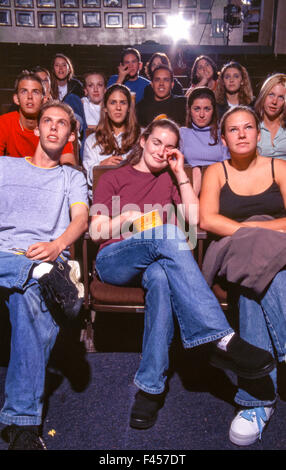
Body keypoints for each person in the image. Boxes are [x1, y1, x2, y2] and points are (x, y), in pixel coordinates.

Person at [89, 117, 274, 432]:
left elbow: (191, 225)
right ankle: (221, 337)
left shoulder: (171, 180)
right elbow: (95, 232)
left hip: (156, 263)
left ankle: (150, 388)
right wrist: (124, 218)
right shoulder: (113, 177)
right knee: (166, 233)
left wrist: (180, 174)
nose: (161, 151)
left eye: (170, 147)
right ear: (144, 140)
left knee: (162, 276)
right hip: (116, 259)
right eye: (157, 142)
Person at [0, 100, 89, 450]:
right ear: (36, 129)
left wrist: (56, 246)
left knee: (28, 300)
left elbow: (80, 220)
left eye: (62, 123)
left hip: (49, 256)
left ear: (70, 134)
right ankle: (32, 271)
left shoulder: (71, 177)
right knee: (35, 279)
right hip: (8, 256)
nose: (53, 127)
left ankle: (21, 425)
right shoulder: (5, 167)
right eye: (47, 121)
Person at [200, 105, 286, 446]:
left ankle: (256, 399)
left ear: (257, 133)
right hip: (232, 252)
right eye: (233, 129)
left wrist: (262, 232)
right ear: (224, 138)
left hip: (276, 251)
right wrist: (250, 233)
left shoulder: (279, 167)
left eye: (248, 127)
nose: (241, 133)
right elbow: (207, 220)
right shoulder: (215, 172)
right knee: (257, 267)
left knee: (258, 283)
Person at [0, 71, 75, 166]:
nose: (30, 97)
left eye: (35, 92)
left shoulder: (54, 125)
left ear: (44, 99)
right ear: (16, 99)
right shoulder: (4, 122)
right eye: (24, 91)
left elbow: (69, 164)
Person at [83, 83, 140, 197]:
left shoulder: (141, 137)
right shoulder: (92, 141)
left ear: (129, 107)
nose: (118, 108)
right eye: (113, 102)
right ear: (105, 108)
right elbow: (89, 184)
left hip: (136, 198)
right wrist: (101, 166)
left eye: (122, 103)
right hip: (105, 200)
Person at [180, 87, 229, 195]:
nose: (201, 114)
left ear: (213, 110)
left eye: (207, 109)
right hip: (190, 187)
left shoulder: (222, 134)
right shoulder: (183, 134)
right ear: (189, 110)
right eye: (197, 109)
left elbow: (228, 167)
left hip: (219, 187)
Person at [254, 73, 286, 159]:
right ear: (263, 95)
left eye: (281, 97)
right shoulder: (252, 125)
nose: (274, 101)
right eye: (271, 94)